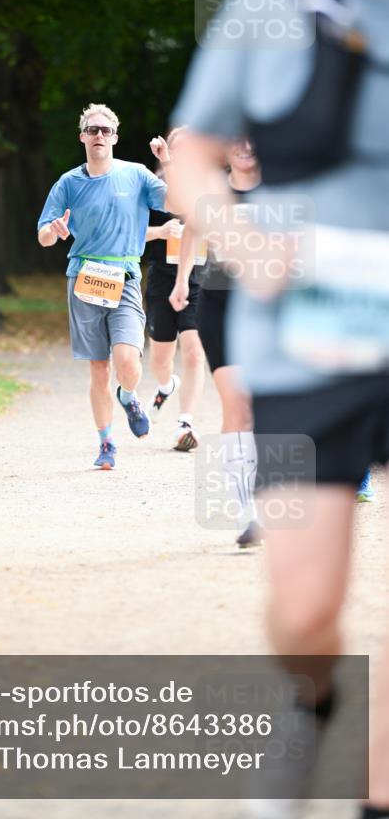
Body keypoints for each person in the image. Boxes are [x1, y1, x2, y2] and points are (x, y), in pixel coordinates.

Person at [164, 0, 389, 816]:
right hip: (307, 333)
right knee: (303, 606)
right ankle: (311, 702)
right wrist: (238, 238)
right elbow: (190, 154)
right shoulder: (268, 8)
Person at [37, 103, 169, 470]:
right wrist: (55, 231)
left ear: (115, 137)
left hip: (124, 278)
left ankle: (128, 396)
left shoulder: (137, 175)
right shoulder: (68, 183)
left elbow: (175, 202)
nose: (99, 136)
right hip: (84, 279)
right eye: (92, 130)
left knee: (128, 362)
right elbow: (44, 235)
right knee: (98, 368)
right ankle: (107, 443)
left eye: (105, 130)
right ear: (82, 136)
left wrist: (168, 163)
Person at [169, 138, 263, 548]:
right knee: (237, 405)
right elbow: (191, 229)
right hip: (220, 303)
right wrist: (180, 282)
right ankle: (249, 512)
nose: (244, 146)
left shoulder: (283, 189)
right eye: (237, 140)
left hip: (267, 310)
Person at [143, 128, 206, 451]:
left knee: (194, 350)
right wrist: (161, 231)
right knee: (160, 358)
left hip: (198, 279)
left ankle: (185, 422)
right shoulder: (154, 184)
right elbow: (134, 231)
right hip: (161, 278)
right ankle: (166, 386)